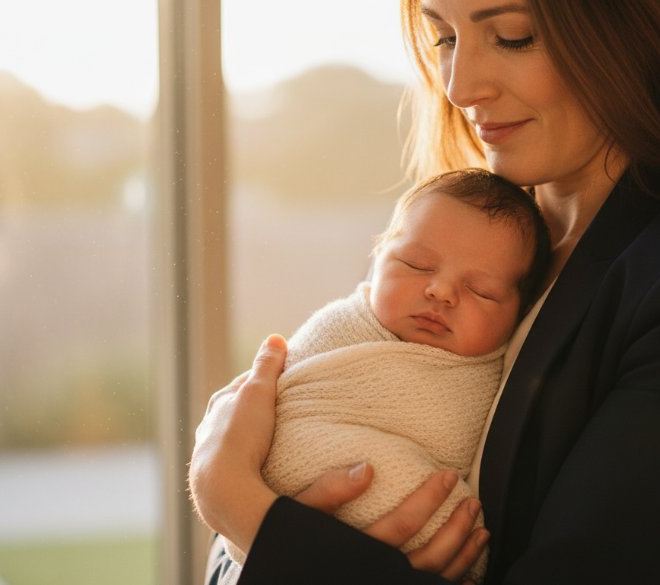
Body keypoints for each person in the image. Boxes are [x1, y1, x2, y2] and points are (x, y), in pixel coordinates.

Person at [190, 1, 660, 583]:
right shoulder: (465, 237)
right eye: (443, 37)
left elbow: (263, 527)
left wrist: (240, 505)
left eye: (513, 36)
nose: (459, 85)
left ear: (640, 29)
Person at [214, 168, 550, 584]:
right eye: (416, 264)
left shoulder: (494, 374)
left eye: (481, 290)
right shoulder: (342, 326)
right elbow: (277, 411)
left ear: (519, 316)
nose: (441, 291)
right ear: (377, 259)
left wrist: (235, 495)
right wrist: (235, 490)